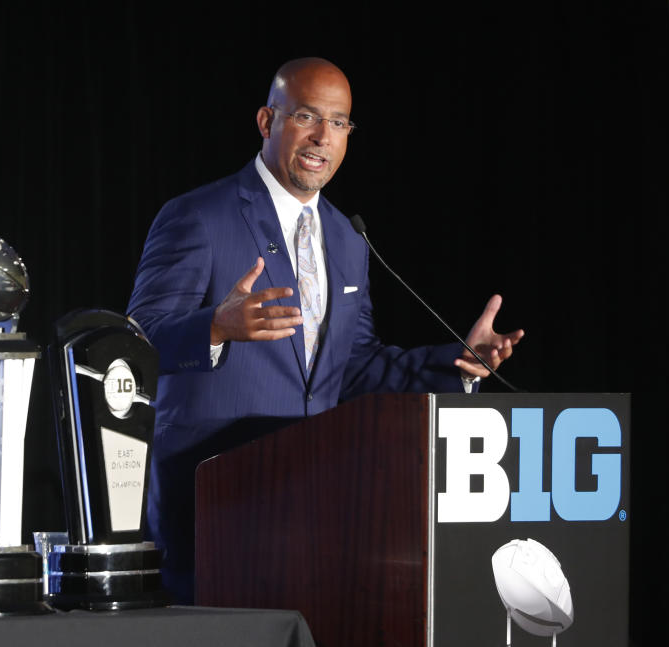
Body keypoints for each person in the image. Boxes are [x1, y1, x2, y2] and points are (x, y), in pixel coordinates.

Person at [126, 57, 524, 603]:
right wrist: (215, 328)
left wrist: (456, 361)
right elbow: (135, 341)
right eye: (307, 116)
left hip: (315, 512)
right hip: (215, 509)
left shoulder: (345, 238)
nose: (323, 137)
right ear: (267, 122)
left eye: (339, 123)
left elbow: (353, 365)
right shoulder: (199, 216)